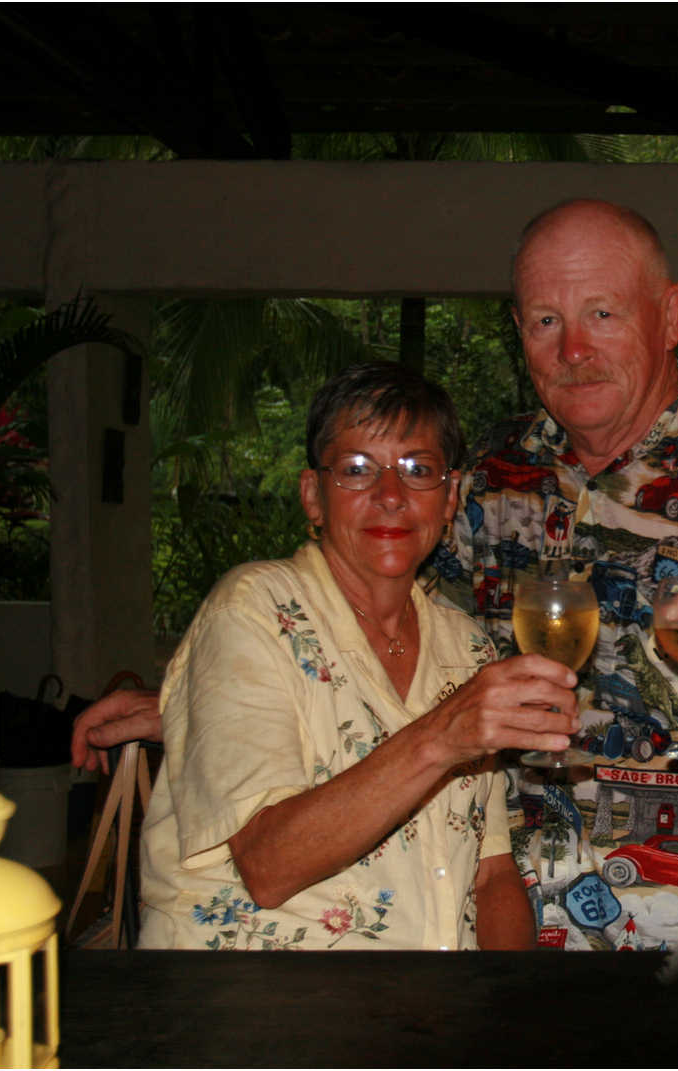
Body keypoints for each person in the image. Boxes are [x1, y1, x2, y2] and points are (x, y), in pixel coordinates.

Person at [76, 198, 678, 950]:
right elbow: (374, 635)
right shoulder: (485, 478)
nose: (574, 349)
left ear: (669, 316)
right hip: (515, 935)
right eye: (544, 320)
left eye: (602, 312)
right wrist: (208, 705)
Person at [133, 363, 578, 951]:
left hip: (432, 1014)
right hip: (261, 1008)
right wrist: (442, 735)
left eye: (418, 471)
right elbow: (268, 866)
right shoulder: (250, 612)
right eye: (356, 470)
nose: (390, 496)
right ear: (313, 496)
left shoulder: (467, 647)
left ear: (449, 502)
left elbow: (492, 873)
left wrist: (502, 1012)